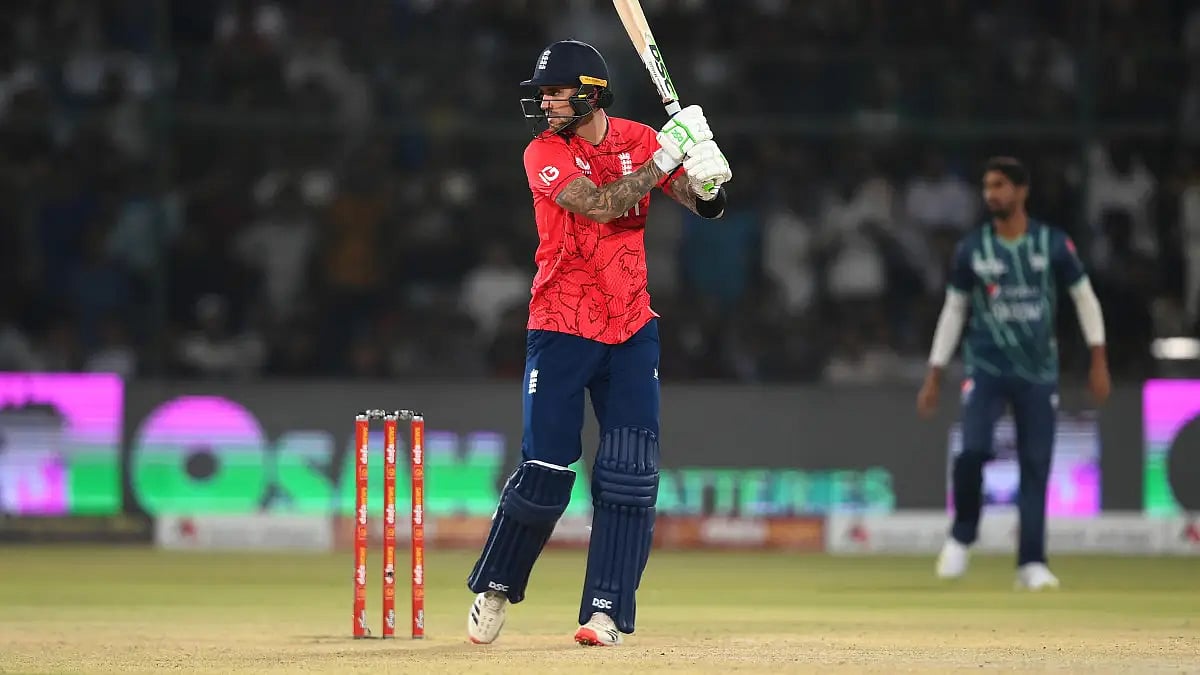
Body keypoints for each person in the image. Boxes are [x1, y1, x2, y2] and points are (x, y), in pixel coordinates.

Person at [464, 40, 732, 645]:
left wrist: (708, 177)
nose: (547, 104)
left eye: (557, 94)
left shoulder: (638, 138)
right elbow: (604, 206)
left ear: (590, 94)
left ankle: (605, 611)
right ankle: (497, 585)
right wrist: (667, 159)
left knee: (630, 475)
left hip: (632, 327)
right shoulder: (542, 152)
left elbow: (701, 205)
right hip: (560, 325)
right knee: (547, 472)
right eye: (544, 94)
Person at [917, 156, 1110, 590]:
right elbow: (954, 309)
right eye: (987, 187)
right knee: (972, 452)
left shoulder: (1052, 244)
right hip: (985, 367)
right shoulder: (972, 248)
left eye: (1000, 186)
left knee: (1036, 464)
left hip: (1038, 371)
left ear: (1021, 192)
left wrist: (1098, 357)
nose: (992, 195)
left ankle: (1031, 563)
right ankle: (962, 534)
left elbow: (1085, 299)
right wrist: (935, 372)